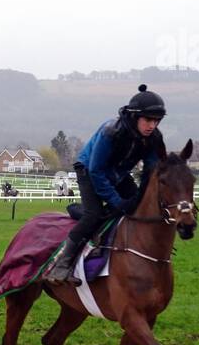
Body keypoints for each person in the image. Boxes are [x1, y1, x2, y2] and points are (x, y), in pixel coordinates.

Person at [45, 84, 166, 286]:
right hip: (89, 169)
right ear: (135, 117)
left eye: (156, 120)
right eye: (148, 119)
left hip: (117, 173)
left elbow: (150, 172)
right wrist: (117, 201)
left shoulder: (153, 138)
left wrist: (142, 198)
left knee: (138, 208)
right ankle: (60, 265)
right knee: (94, 214)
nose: (152, 125)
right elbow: (96, 171)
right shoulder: (111, 132)